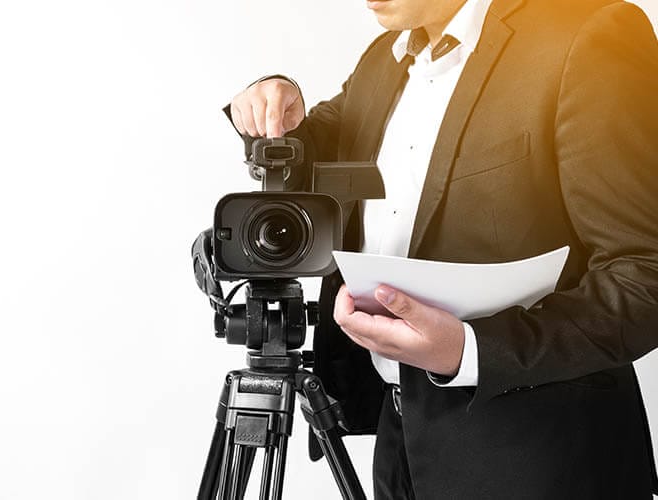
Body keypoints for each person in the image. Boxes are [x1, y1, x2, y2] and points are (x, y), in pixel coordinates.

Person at [227, 0, 658, 497]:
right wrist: (271, 108)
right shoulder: (383, 60)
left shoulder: (586, 37)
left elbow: (644, 274)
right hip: (399, 447)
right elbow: (310, 149)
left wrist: (470, 350)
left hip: (540, 463)